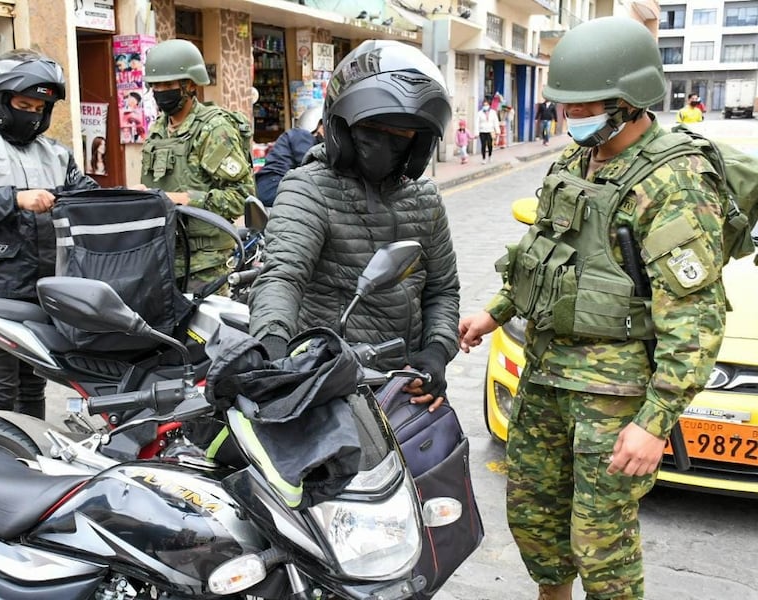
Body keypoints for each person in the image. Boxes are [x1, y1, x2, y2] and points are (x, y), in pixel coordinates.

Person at [458, 17, 726, 600]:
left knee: (601, 548)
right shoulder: (576, 163)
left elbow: (697, 324)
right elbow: (545, 256)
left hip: (614, 398)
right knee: (537, 528)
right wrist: (497, 312)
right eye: (565, 105)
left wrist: (654, 424)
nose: (568, 117)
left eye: (583, 105)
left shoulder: (675, 181)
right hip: (546, 377)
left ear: (629, 101)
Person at [249, 39, 460, 411]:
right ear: (342, 127)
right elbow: (282, 277)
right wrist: (274, 352)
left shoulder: (425, 198)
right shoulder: (308, 188)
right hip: (328, 379)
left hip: (403, 385)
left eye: (401, 135)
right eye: (374, 128)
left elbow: (442, 289)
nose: (385, 143)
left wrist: (436, 352)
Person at [0, 49, 99, 419]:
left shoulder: (55, 153)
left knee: (34, 382)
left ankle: (32, 463)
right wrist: (15, 199)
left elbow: (87, 193)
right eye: (24, 104)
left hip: (43, 284)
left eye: (39, 108)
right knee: (0, 390)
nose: (32, 114)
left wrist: (131, 199)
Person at [141, 39, 255, 295]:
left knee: (205, 335)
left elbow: (241, 198)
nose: (161, 91)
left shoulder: (214, 130)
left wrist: (183, 200)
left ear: (190, 84)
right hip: (164, 257)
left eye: (169, 85)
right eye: (156, 85)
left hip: (206, 266)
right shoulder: (158, 130)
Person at [255, 105, 324, 207]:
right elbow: (310, 165)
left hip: (272, 185)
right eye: (325, 126)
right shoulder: (302, 135)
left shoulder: (303, 138)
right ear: (315, 124)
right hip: (273, 185)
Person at [476, 97, 499, 164]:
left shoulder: (493, 113)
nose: (485, 106)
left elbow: (495, 122)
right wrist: (476, 132)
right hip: (482, 131)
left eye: (486, 105)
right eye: (484, 105)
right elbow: (477, 123)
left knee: (490, 145)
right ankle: (483, 158)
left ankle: (490, 156)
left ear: (489, 105)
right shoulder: (479, 113)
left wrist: (497, 130)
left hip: (490, 131)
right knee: (483, 145)